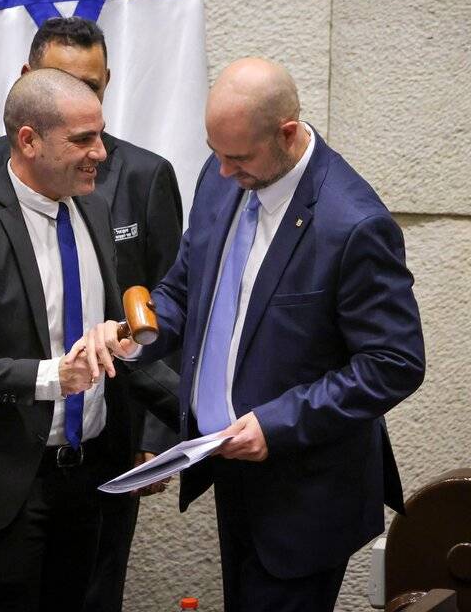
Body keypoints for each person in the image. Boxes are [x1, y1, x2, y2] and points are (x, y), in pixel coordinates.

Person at [93, 57, 426, 611]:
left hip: (305, 490)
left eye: (239, 157)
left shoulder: (353, 224)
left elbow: (393, 362)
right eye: (215, 152)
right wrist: (138, 335)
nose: (223, 171)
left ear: (288, 133)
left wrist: (276, 423)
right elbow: (184, 289)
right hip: (231, 471)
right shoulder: (223, 174)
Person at [0, 68, 171, 612]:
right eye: (82, 140)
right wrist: (50, 377)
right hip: (5, 485)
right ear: (28, 140)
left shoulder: (94, 209)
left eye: (100, 134)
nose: (101, 152)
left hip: (90, 474)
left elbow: (101, 323)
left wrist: (122, 343)